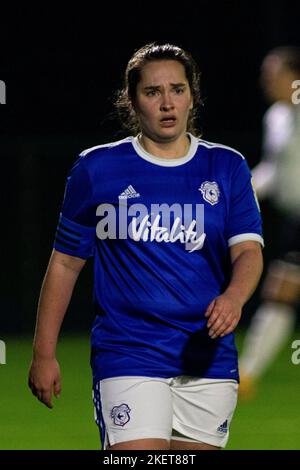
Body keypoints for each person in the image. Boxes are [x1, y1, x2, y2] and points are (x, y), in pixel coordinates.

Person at [28, 42, 263, 450]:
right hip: (128, 352)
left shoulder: (227, 166)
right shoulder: (97, 169)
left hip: (207, 357)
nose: (167, 103)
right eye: (153, 92)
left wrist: (234, 298)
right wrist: (43, 353)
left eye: (177, 89)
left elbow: (247, 252)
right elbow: (65, 264)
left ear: (193, 94)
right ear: (132, 101)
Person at [239, 46, 300, 400]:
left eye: (272, 73)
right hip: (296, 221)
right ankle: (247, 375)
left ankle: (247, 373)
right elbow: (275, 172)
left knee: (280, 291)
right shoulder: (275, 117)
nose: (266, 81)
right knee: (280, 293)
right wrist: (240, 193)